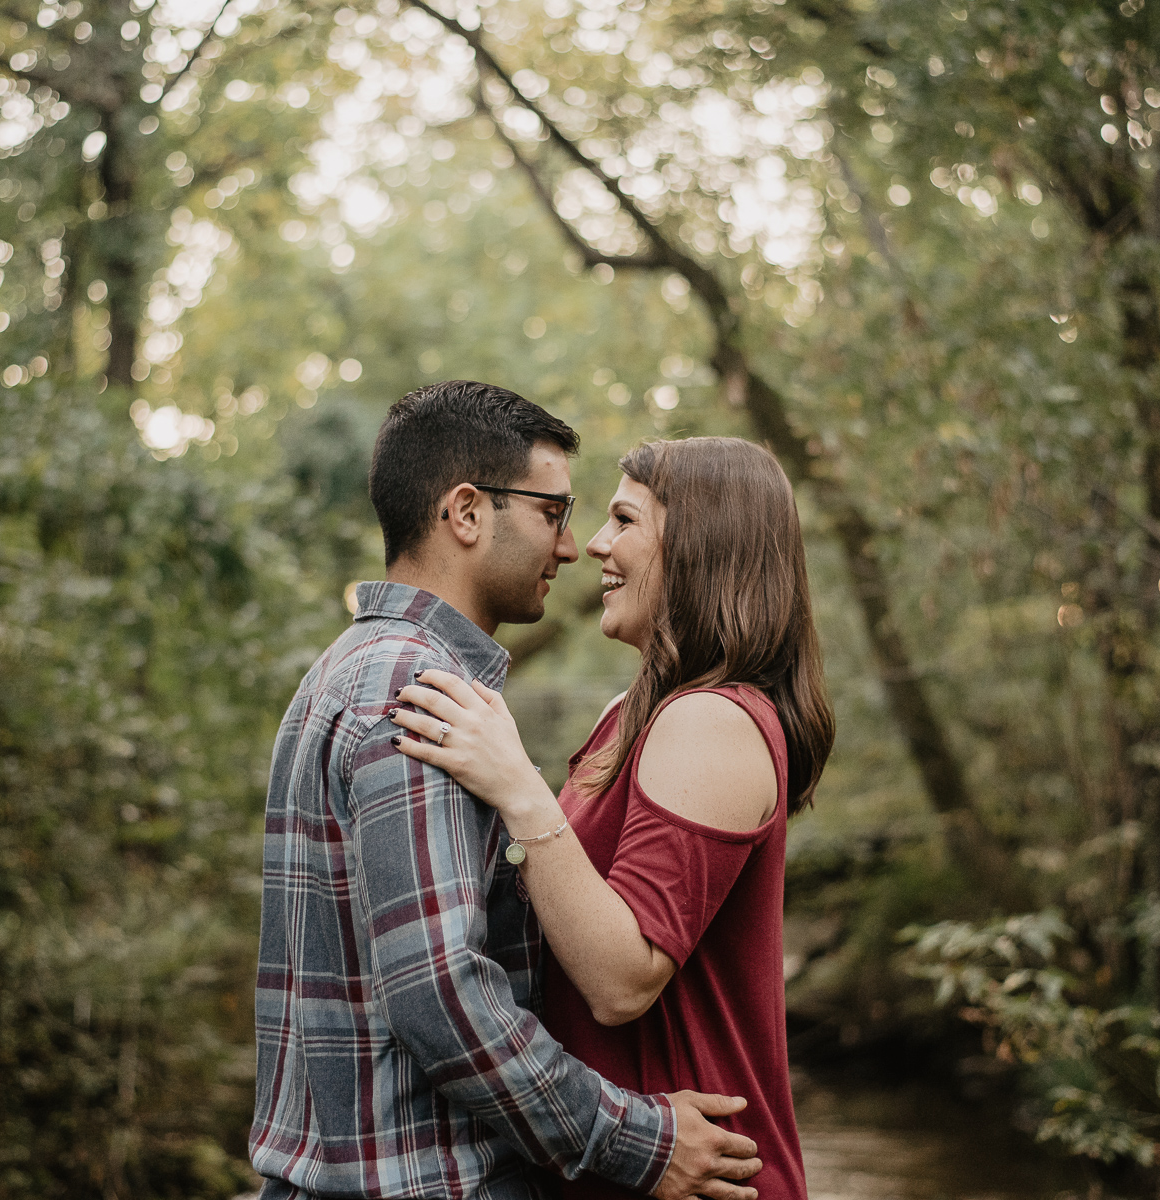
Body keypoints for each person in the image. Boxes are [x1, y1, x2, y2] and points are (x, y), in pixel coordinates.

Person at [250, 382, 765, 1200]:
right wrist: (639, 1143)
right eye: (553, 514)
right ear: (466, 513)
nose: (572, 547)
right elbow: (439, 994)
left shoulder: (351, 671)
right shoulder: (414, 691)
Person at [391, 436, 835, 1200]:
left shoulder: (714, 722)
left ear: (700, 546)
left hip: (704, 1170)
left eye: (624, 519)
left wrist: (518, 784)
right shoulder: (629, 715)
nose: (594, 544)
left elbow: (623, 979)